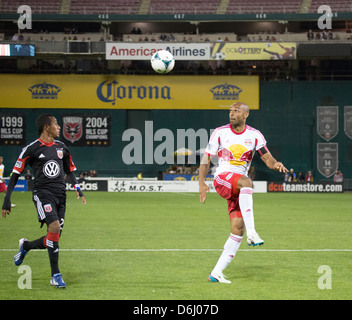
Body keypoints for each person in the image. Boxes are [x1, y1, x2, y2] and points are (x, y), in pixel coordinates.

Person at [199, 102, 288, 284]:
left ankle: (216, 273)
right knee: (247, 181)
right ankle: (253, 232)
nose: (232, 114)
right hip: (223, 179)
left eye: (236, 111)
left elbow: (267, 158)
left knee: (237, 230)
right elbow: (206, 158)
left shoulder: (254, 135)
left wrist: (276, 163)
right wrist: (201, 182)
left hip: (238, 187)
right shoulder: (220, 132)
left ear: (245, 115)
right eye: (230, 111)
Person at [1, 114, 86, 288]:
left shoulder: (61, 147)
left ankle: (25, 246)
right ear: (46, 127)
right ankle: (55, 275)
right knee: (54, 227)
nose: (59, 127)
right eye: (55, 124)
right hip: (42, 193)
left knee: (53, 238)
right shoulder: (31, 149)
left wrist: (77, 188)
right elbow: (15, 174)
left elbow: (69, 170)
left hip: (60, 196)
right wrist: (7, 199)